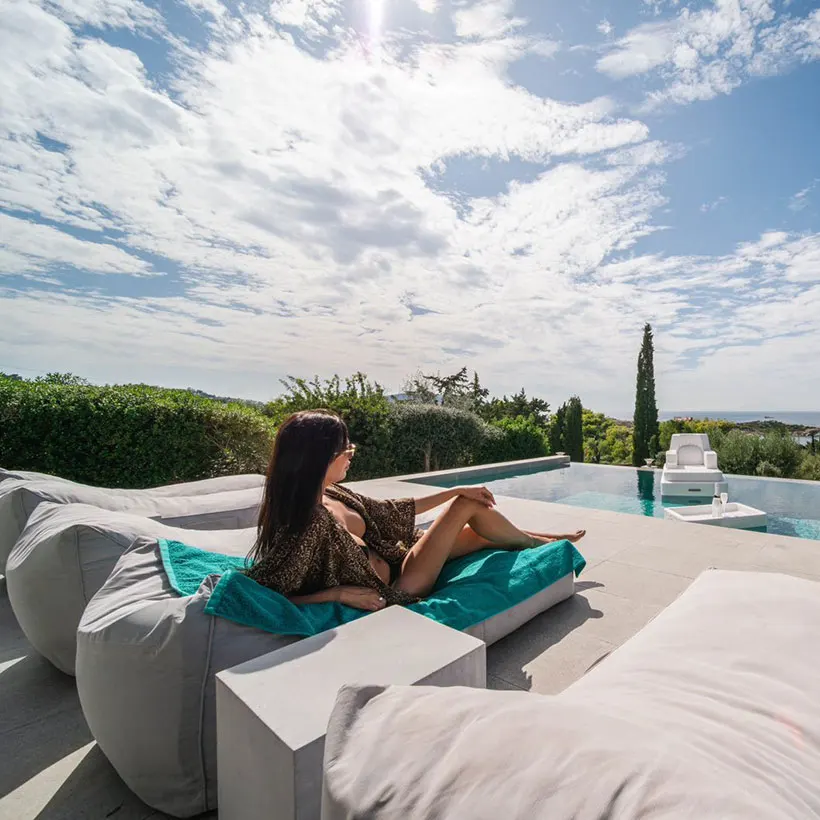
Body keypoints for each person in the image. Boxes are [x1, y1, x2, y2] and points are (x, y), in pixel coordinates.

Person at [246, 410, 585, 611]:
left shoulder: (333, 493)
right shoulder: (309, 522)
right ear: (320, 457)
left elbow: (391, 511)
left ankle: (543, 538)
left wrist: (454, 488)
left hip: (400, 557)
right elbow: (268, 592)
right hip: (401, 585)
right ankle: (546, 544)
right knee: (467, 507)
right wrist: (338, 593)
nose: (351, 455)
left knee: (482, 533)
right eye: (346, 449)